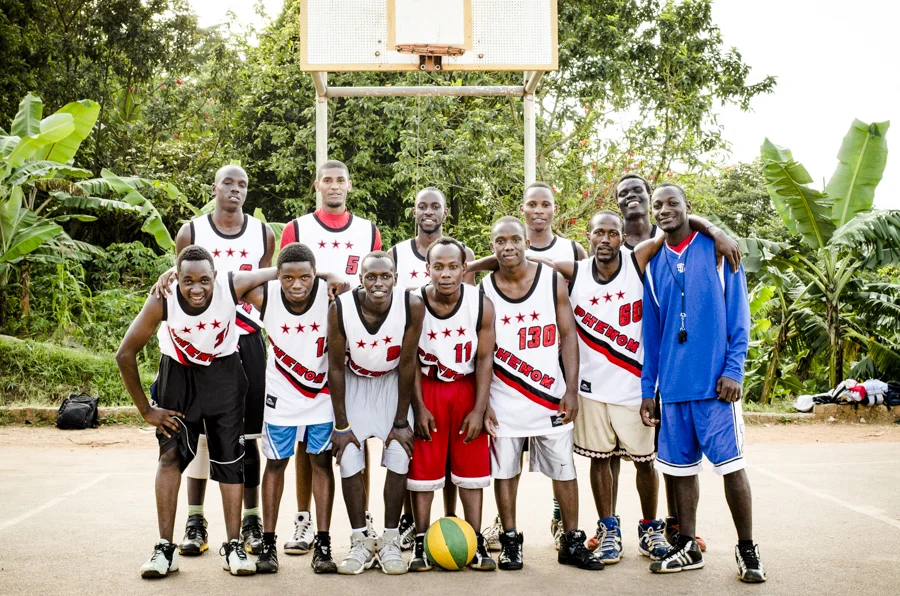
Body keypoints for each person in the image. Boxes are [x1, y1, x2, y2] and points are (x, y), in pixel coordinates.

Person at [530, 209, 739, 567]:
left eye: (613, 233)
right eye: (599, 233)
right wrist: (472, 268)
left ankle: (649, 527)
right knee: (600, 460)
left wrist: (715, 229)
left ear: (620, 236)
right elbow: (528, 257)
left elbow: (679, 222)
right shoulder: (575, 269)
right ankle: (609, 528)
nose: (607, 240)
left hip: (633, 385)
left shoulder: (637, 258)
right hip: (592, 388)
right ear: (589, 236)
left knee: (645, 463)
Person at [118, 245, 277, 578]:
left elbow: (279, 271)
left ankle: (233, 545)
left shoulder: (230, 286)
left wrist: (329, 277)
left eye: (204, 280)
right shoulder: (163, 299)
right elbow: (125, 353)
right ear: (175, 278)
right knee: (170, 457)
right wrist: (147, 410)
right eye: (187, 280)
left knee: (231, 460)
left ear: (215, 278)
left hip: (224, 377)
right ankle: (165, 548)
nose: (196, 288)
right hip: (178, 380)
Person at [640, 183, 765, 582]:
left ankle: (747, 549)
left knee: (732, 468)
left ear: (687, 207)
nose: (664, 210)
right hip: (673, 389)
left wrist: (734, 369)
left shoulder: (716, 250)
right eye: (657, 205)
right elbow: (653, 334)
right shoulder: (654, 263)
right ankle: (688, 545)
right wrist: (649, 390)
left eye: (672, 203)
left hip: (715, 387)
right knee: (679, 471)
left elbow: (739, 315)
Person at [155, 165, 275, 557]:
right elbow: (179, 278)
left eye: (243, 183)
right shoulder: (192, 230)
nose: (236, 189)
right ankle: (194, 519)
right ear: (215, 187)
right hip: (198, 345)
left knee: (248, 436)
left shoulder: (262, 233)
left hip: (246, 340)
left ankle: (252, 520)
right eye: (229, 182)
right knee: (196, 438)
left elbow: (262, 284)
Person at [479, 216, 602, 571]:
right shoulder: (485, 289)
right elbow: (483, 352)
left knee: (564, 471)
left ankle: (572, 541)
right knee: (505, 471)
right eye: (500, 241)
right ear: (492, 247)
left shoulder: (550, 281)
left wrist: (572, 390)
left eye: (514, 239)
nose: (508, 247)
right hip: (505, 397)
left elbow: (568, 337)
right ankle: (511, 541)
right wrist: (484, 401)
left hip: (549, 395)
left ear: (525, 242)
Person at [278, 159, 384, 554]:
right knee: (308, 439)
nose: (334, 186)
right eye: (328, 180)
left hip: (355, 343)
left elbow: (377, 283)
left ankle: (365, 516)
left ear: (350, 185)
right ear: (317, 185)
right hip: (306, 342)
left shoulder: (368, 230)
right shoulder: (298, 228)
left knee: (356, 434)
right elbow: (284, 277)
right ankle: (303, 520)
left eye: (341, 180)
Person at [237, 243, 341, 574]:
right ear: (278, 278)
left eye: (305, 277)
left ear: (315, 275)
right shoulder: (265, 297)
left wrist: (326, 274)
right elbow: (238, 283)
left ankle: (322, 545)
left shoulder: (328, 293)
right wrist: (276, 272)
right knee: (276, 464)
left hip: (321, 397)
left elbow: (353, 284)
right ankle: (268, 544)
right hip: (281, 398)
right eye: (288, 278)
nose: (297, 285)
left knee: (322, 464)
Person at [327, 251, 424, 575]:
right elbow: (336, 369)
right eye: (371, 277)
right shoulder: (340, 308)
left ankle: (391, 540)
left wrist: (400, 421)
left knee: (399, 453)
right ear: (361, 279)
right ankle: (360, 541)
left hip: (391, 383)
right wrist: (341, 424)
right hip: (354, 382)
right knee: (349, 457)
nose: (378, 283)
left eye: (385, 277)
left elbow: (408, 364)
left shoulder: (411, 305)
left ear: (396, 279)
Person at [390, 187, 475, 547]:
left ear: (444, 212)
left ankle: (454, 522)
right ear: (414, 211)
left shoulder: (463, 256)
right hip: (419, 368)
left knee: (454, 457)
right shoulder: (396, 253)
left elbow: (466, 305)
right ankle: (413, 524)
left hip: (455, 362)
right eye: (422, 205)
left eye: (435, 206)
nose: (428, 211)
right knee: (422, 455)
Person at [407, 237, 496, 572]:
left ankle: (474, 539)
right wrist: (418, 406)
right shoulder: (414, 301)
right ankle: (419, 539)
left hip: (465, 387)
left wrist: (479, 407)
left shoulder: (480, 303)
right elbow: (410, 360)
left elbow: (486, 356)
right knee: (424, 469)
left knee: (471, 466)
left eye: (452, 267)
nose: (445, 274)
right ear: (427, 269)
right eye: (438, 267)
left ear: (464, 268)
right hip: (428, 388)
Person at [522, 182, 588, 263]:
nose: (539, 211)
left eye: (546, 205)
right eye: (532, 205)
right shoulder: (511, 252)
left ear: (555, 209)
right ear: (522, 209)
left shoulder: (573, 250)